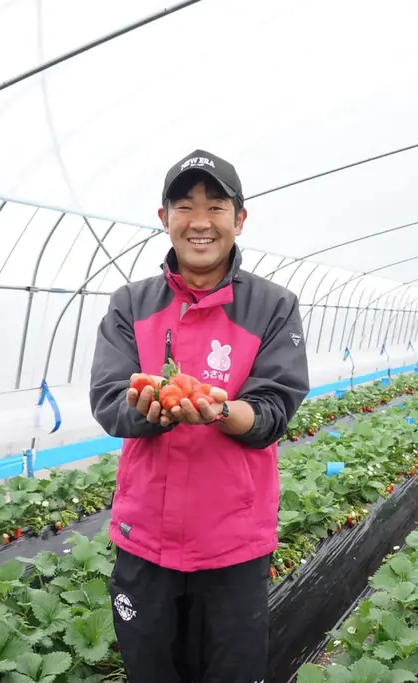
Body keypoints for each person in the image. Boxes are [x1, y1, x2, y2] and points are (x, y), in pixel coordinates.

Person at [88, 149, 310, 682]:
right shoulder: (130, 304)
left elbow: (275, 408)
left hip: (232, 543)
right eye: (185, 206)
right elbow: (108, 400)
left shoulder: (273, 306)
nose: (201, 221)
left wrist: (220, 411)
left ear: (240, 218)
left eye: (216, 206)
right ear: (164, 219)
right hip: (144, 539)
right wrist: (152, 409)